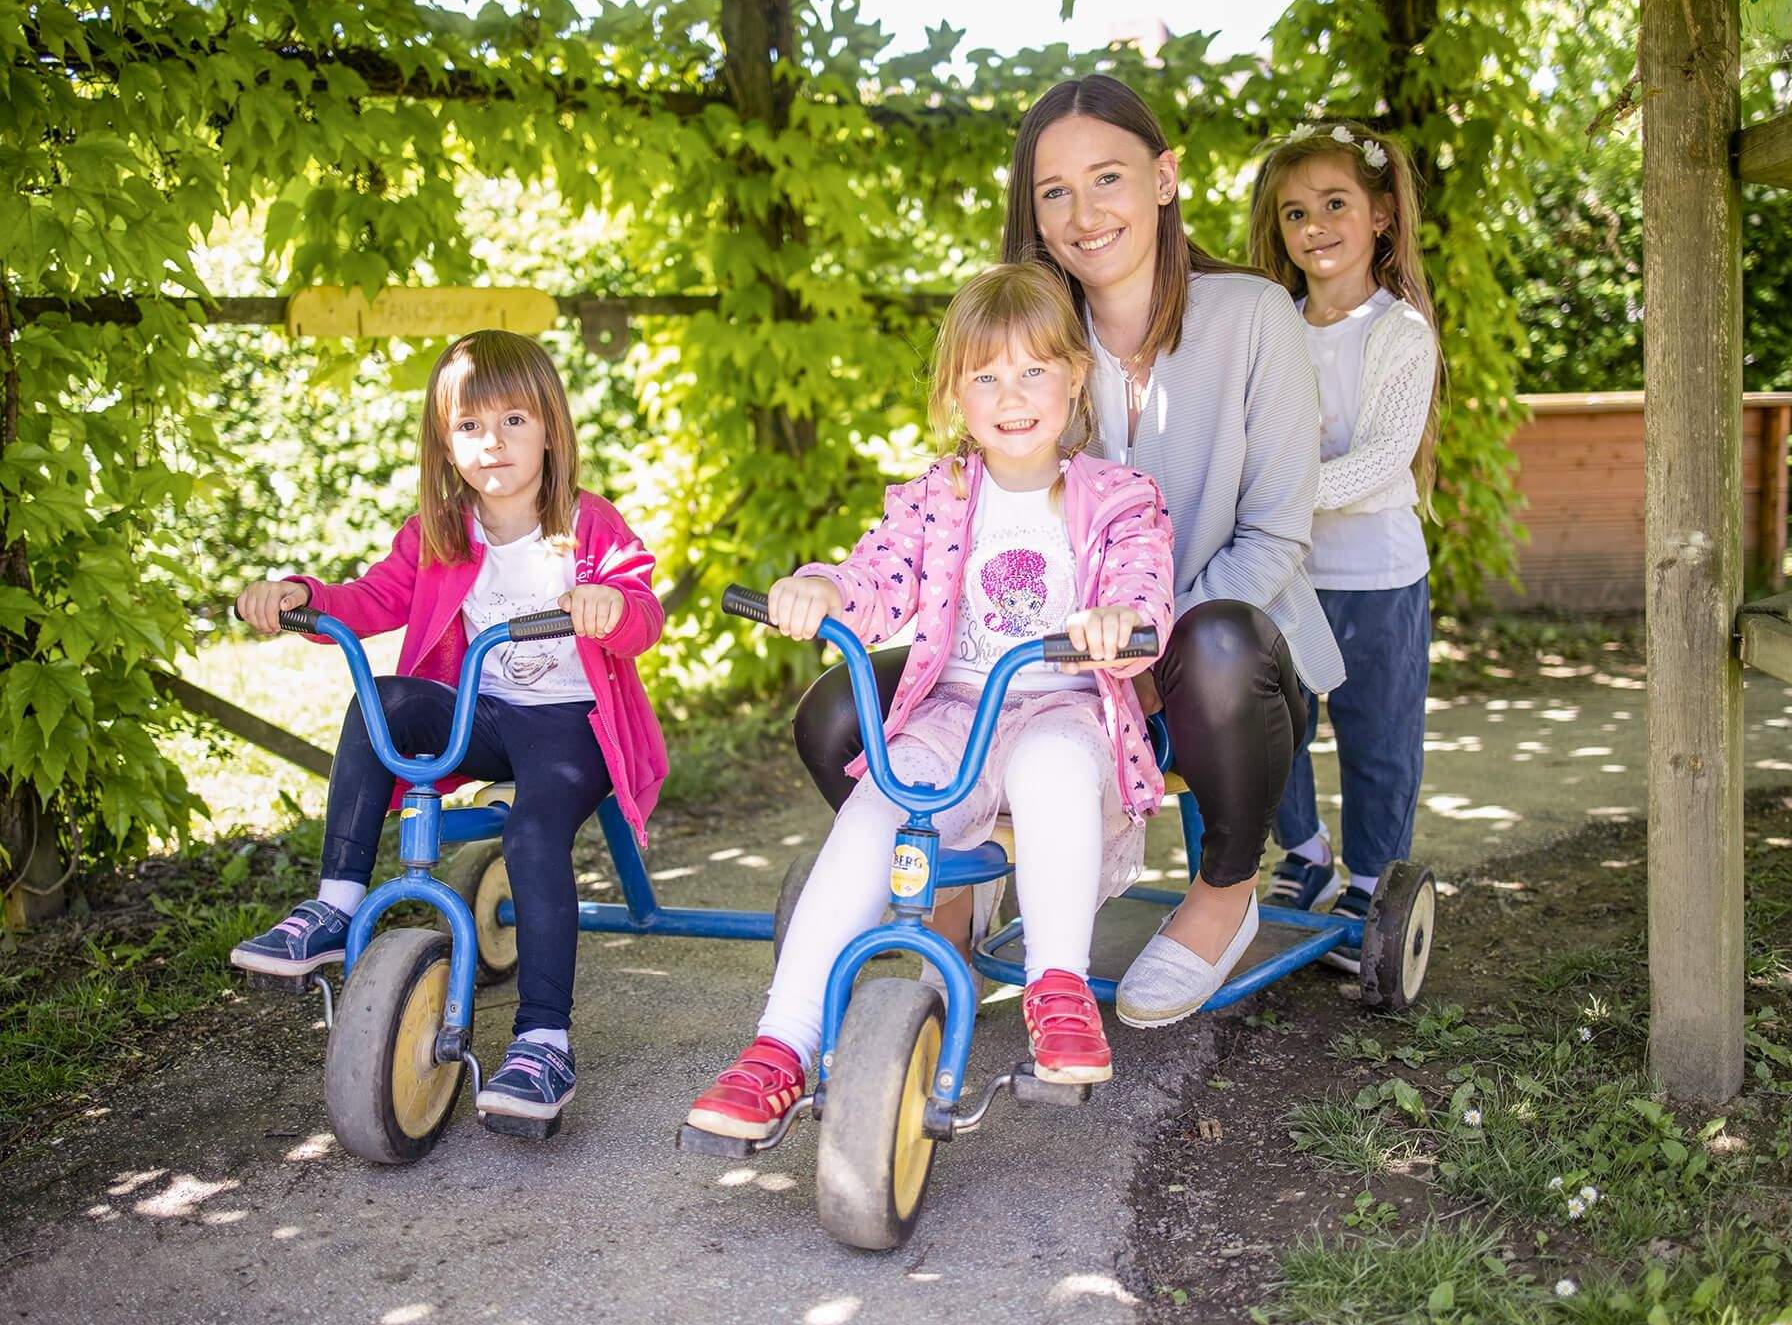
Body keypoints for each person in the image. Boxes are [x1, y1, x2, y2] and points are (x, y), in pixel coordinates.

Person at [794, 75, 1344, 1028]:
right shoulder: (1033, 335)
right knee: (842, 715)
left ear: (1164, 178)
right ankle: (963, 880)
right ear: (1032, 208)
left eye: (1109, 178)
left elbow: (1275, 533)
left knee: (1215, 644)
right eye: (1055, 191)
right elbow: (955, 515)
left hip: (1214, 664)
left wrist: (1140, 652)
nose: (1085, 213)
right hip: (1030, 669)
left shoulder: (1255, 318)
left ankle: (1224, 894)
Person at [683, 264, 1174, 1140]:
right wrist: (823, 590)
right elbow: (877, 572)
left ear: (1074, 375)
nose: (1011, 395)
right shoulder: (938, 497)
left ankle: (1056, 986)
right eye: (985, 376)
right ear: (956, 392)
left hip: (1063, 708)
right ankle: (780, 1045)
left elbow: (1145, 587)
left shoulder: (1119, 500)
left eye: (1033, 371)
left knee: (1055, 765)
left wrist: (1121, 617)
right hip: (954, 712)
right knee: (880, 805)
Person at [229, 329, 667, 1133]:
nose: (492, 443)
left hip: (573, 727)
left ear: (550, 430)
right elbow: (369, 599)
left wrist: (611, 608)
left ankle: (543, 1037)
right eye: (470, 426)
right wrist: (299, 595)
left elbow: (642, 611)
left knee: (533, 836)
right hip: (484, 715)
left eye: (514, 421)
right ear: (445, 439)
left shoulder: (587, 526)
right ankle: (334, 906)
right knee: (385, 698)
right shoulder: (438, 530)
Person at [1247, 122, 1441, 970]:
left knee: (1376, 736)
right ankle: (1305, 853)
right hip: (1283, 574)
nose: (1314, 226)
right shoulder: (1270, 325)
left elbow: (1380, 460)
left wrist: (1277, 495)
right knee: (1273, 724)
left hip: (1377, 578)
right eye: (1295, 212)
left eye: (1335, 204)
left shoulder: (1400, 334)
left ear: (1384, 217)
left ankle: (1371, 875)